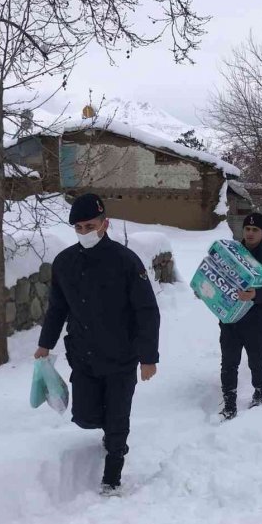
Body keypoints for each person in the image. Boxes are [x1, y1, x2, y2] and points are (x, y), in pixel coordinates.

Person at [34, 193, 160, 493]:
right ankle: (110, 434)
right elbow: (58, 308)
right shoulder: (65, 263)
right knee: (87, 416)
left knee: (117, 416)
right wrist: (45, 344)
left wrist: (148, 357)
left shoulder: (126, 261)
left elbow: (146, 311)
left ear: (105, 224)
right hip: (84, 355)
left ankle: (113, 471)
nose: (84, 232)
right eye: (78, 227)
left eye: (89, 226)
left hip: (121, 356)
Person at [220, 212, 262, 419]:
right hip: (230, 317)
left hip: (257, 319)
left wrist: (256, 294)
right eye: (247, 229)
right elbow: (217, 274)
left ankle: (259, 393)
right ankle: (229, 401)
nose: (250, 233)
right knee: (229, 361)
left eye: (255, 230)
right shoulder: (231, 252)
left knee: (256, 359)